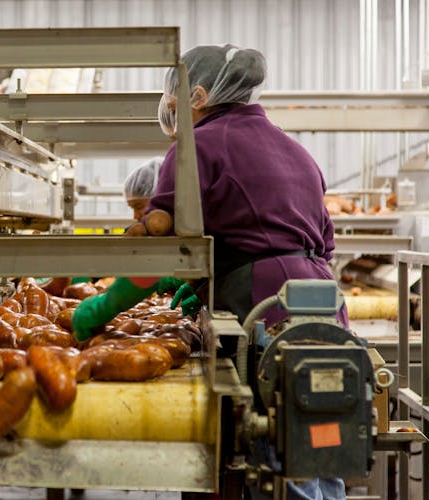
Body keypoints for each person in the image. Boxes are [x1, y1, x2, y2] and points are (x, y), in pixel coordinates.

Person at [72, 44, 347, 500]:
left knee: (275, 454)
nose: (172, 112)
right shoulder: (295, 149)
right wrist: (200, 281)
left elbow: (161, 242)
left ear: (197, 96)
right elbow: (322, 242)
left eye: (174, 102)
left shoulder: (197, 146)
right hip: (323, 306)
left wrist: (101, 310)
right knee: (322, 440)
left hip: (264, 311)